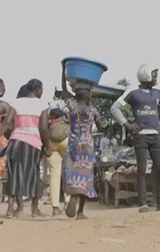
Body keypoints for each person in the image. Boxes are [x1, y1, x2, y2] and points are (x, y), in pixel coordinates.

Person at [110, 64, 160, 212]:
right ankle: (143, 202)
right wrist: (127, 124)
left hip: (155, 136)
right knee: (142, 170)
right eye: (154, 75)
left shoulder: (158, 93)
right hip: (140, 137)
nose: (156, 78)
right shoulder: (133, 92)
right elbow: (114, 108)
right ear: (146, 76)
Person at [0, 79, 51, 218]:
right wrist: (48, 147)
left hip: (15, 141)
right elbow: (43, 128)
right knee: (34, 176)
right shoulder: (42, 105)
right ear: (38, 89)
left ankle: (16, 208)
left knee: (15, 174)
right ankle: (34, 210)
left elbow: (5, 124)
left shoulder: (16, 103)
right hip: (33, 142)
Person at [63, 84, 103, 219]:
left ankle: (73, 194)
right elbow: (100, 126)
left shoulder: (73, 106)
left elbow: (64, 92)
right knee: (86, 176)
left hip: (74, 142)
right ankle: (80, 211)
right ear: (88, 95)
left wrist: (63, 70)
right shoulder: (92, 109)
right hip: (87, 144)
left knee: (73, 171)